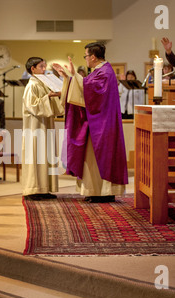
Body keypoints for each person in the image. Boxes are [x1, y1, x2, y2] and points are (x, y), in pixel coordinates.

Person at [53, 42, 128, 203]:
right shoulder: (98, 71)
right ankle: (94, 190)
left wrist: (73, 76)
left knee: (101, 157)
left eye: (86, 56)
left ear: (93, 57)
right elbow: (85, 90)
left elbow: (91, 91)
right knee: (91, 158)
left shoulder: (105, 72)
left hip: (103, 125)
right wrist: (68, 77)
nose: (86, 59)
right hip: (95, 123)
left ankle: (104, 192)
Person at [21, 57, 64, 201]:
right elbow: (32, 106)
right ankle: (33, 189)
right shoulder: (31, 85)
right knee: (36, 155)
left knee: (46, 156)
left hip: (46, 125)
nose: (44, 69)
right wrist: (48, 97)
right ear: (32, 69)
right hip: (35, 127)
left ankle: (45, 188)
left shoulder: (43, 83)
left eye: (45, 66)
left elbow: (52, 103)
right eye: (41, 66)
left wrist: (55, 95)